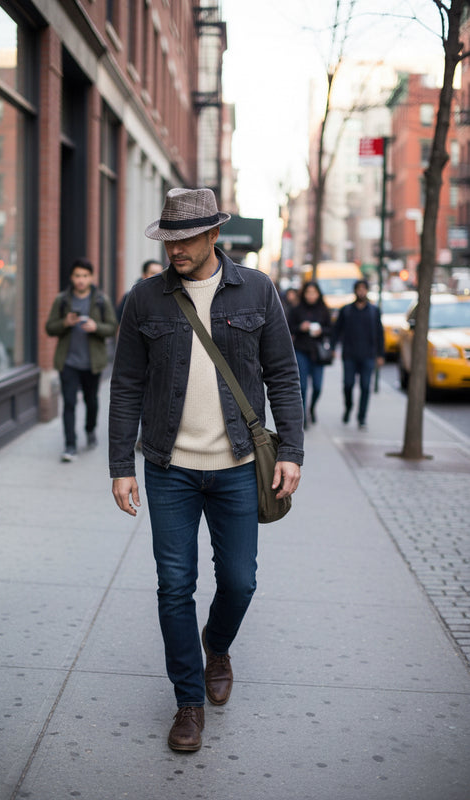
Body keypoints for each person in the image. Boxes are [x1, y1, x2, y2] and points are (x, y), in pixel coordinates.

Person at [109, 187, 304, 753]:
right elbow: (125, 387)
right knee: (175, 586)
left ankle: (216, 646)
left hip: (240, 466)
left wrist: (290, 450)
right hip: (168, 468)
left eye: (187, 238)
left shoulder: (257, 290)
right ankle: (188, 702)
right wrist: (121, 465)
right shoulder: (144, 300)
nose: (176, 249)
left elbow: (283, 376)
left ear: (215, 235)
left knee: (240, 581)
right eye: (169, 239)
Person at [46, 258, 117, 462]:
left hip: (92, 363)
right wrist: (65, 323)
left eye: (85, 276)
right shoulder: (62, 300)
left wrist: (97, 328)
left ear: (91, 277)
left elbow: (112, 327)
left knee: (91, 402)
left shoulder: (101, 300)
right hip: (68, 362)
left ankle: (90, 429)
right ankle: (70, 445)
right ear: (71, 277)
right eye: (77, 276)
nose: (81, 280)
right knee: (68, 403)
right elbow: (49, 328)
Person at [331, 278, 385, 429]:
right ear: (355, 291)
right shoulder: (346, 310)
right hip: (349, 355)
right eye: (358, 289)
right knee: (348, 385)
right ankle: (348, 407)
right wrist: (333, 348)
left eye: (364, 289)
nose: (361, 291)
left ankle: (361, 417)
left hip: (368, 355)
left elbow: (380, 334)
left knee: (366, 387)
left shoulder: (374, 311)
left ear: (367, 291)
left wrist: (381, 354)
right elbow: (336, 330)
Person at [287, 281, 332, 427]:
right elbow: (288, 328)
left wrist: (321, 331)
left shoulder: (324, 310)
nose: (311, 295)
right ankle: (304, 416)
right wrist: (301, 327)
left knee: (318, 386)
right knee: (303, 386)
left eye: (314, 292)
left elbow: (331, 330)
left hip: (318, 353)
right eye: (308, 292)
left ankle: (312, 408)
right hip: (301, 350)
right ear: (304, 294)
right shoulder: (297, 309)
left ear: (318, 294)